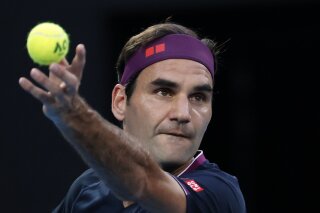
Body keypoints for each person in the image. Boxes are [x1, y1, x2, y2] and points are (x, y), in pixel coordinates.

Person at [19, 22, 247, 213]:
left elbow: (142, 183)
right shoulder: (87, 189)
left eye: (198, 97)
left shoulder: (220, 194)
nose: (183, 114)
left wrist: (74, 114)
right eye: (163, 91)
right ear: (120, 102)